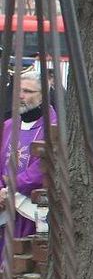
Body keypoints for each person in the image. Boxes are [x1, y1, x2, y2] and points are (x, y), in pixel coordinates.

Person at [0, 71, 56, 255]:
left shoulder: (53, 126)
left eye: (28, 91)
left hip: (29, 210)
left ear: (43, 96)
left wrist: (10, 188)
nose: (21, 96)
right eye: (19, 90)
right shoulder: (9, 125)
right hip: (4, 206)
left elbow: (42, 169)